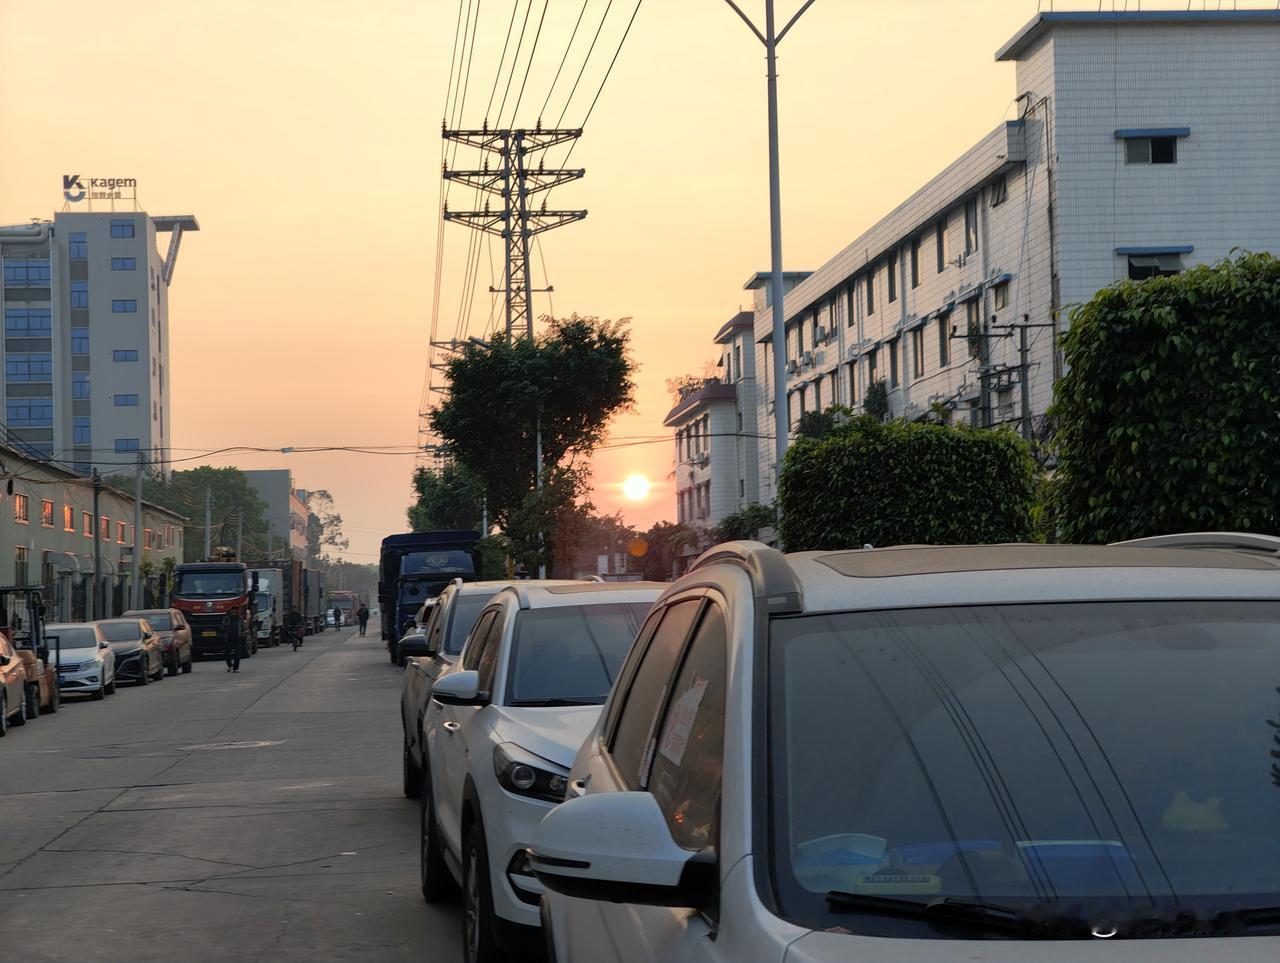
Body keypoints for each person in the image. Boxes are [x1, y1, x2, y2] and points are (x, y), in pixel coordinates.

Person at [223, 607, 243, 673]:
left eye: (235, 612)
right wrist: (226, 625)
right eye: (232, 612)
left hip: (237, 638)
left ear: (237, 612)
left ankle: (235, 668)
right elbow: (222, 627)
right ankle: (230, 665)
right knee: (226, 654)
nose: (234, 613)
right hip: (228, 638)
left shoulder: (240, 619)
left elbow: (242, 628)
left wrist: (242, 635)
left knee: (237, 655)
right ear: (230, 612)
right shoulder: (226, 619)